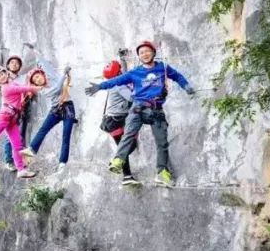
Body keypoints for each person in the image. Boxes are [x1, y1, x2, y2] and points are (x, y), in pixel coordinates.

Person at [85, 40, 195, 187]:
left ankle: (162, 172)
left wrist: (186, 86)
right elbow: (116, 80)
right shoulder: (135, 72)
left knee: (162, 142)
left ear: (153, 53)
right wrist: (100, 86)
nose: (144, 54)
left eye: (147, 51)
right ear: (139, 56)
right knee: (129, 134)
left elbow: (177, 76)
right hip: (138, 109)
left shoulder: (163, 67)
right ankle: (118, 160)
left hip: (156, 110)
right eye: (141, 52)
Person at [21, 61, 74, 182]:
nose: (38, 80)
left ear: (42, 75)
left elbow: (51, 72)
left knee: (66, 135)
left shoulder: (54, 79)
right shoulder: (43, 90)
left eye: (38, 76)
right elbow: (57, 89)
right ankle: (32, 149)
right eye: (35, 80)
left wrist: (65, 72)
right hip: (55, 110)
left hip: (68, 108)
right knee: (43, 129)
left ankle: (62, 162)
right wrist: (64, 74)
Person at [97, 59, 140, 186]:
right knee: (126, 146)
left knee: (128, 145)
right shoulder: (119, 85)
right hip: (115, 121)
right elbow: (132, 97)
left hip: (117, 120)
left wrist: (123, 59)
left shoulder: (115, 83)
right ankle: (125, 173)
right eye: (120, 70)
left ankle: (121, 168)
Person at [2, 54, 31, 170]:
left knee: (19, 136)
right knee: (9, 135)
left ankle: (18, 160)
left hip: (20, 109)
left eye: (17, 63)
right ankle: (9, 160)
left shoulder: (22, 78)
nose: (14, 64)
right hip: (8, 110)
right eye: (12, 62)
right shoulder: (3, 77)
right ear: (8, 65)